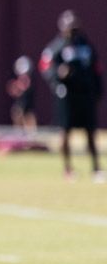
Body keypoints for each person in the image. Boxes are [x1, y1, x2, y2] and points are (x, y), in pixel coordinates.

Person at [39, 10, 103, 182]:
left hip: (85, 95)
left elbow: (96, 69)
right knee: (65, 132)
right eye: (69, 29)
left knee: (90, 132)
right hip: (67, 96)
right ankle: (68, 169)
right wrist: (57, 76)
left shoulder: (85, 45)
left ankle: (96, 168)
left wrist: (98, 90)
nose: (72, 32)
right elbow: (45, 65)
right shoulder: (57, 46)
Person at [7, 55, 37, 132]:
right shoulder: (20, 80)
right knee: (17, 115)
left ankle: (31, 136)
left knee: (28, 118)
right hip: (20, 103)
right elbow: (15, 91)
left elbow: (25, 87)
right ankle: (19, 134)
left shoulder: (28, 81)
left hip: (27, 103)